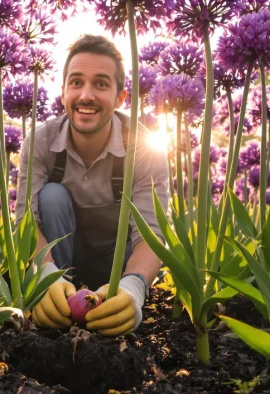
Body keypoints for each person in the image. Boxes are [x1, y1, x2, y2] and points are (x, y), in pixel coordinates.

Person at [14, 34, 170, 337]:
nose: (86, 95)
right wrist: (44, 276)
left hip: (119, 267)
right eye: (76, 83)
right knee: (51, 196)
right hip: (63, 263)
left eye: (101, 84)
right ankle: (56, 298)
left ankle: (117, 297)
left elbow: (152, 234)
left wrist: (134, 288)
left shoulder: (145, 147)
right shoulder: (41, 141)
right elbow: (25, 222)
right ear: (62, 93)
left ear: (121, 98)